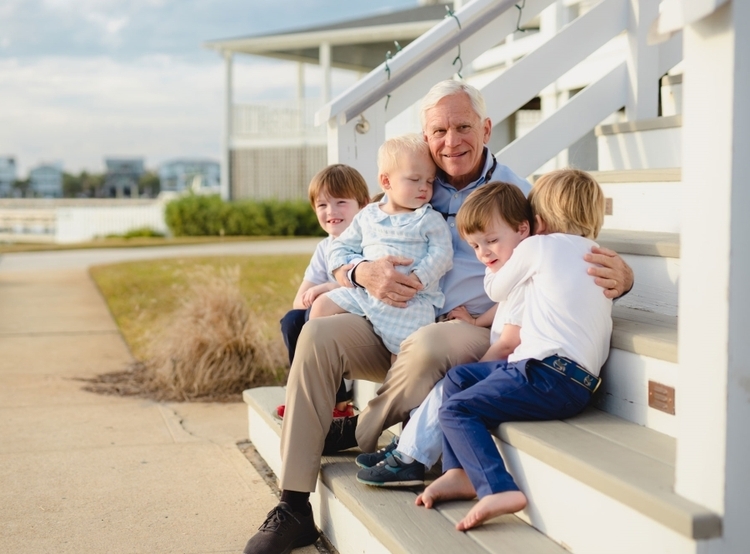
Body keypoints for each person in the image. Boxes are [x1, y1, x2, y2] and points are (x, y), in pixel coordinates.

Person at [243, 80, 634, 554]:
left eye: (463, 126)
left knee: (433, 343)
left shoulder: (516, 191)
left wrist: (623, 274)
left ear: (486, 128)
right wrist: (359, 271)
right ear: (425, 137)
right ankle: (294, 505)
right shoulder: (410, 174)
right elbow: (345, 244)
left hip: (470, 330)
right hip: (388, 320)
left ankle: (359, 431)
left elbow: (566, 243)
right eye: (439, 130)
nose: (451, 141)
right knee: (318, 333)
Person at [416, 169, 612, 532]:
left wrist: (507, 257)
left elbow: (496, 290)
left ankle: (498, 488)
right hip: (573, 383)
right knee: (459, 378)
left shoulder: (538, 246)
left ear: (536, 221)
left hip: (543, 373)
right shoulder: (598, 256)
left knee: (458, 409)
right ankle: (459, 472)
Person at [355, 181, 529, 486]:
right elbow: (505, 307)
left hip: (515, 361)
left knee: (451, 387)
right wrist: (476, 323)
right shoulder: (509, 267)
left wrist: (477, 368)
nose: (483, 253)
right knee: (444, 390)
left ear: (524, 229)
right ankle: (407, 450)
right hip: (501, 349)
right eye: (475, 246)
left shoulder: (526, 269)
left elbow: (509, 339)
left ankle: (409, 457)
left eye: (490, 241)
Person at [309, 134, 453, 357]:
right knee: (319, 307)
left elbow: (443, 253)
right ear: (386, 182)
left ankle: (395, 385)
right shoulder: (368, 216)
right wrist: (342, 271)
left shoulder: (428, 219)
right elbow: (340, 246)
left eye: (429, 181)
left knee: (406, 357)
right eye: (415, 180)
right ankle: (332, 374)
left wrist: (418, 278)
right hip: (366, 295)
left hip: (409, 303)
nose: (424, 187)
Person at [277, 164, 370, 419]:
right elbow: (300, 301)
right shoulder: (324, 248)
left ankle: (337, 401)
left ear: (363, 205)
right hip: (324, 318)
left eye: (341, 202)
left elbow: (363, 284)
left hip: (361, 322)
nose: (331, 212)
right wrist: (317, 296)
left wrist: (328, 288)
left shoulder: (369, 241)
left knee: (315, 319)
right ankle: (303, 393)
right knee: (292, 321)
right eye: (322, 205)